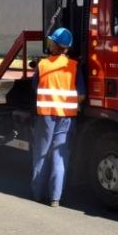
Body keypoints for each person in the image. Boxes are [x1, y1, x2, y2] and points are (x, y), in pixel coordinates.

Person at [30, 27, 86, 207]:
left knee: (41, 154)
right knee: (59, 157)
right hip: (66, 118)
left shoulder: (43, 65)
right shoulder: (74, 67)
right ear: (67, 47)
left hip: (46, 117)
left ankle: (38, 193)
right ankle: (55, 198)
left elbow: (34, 88)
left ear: (54, 45)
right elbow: (82, 95)